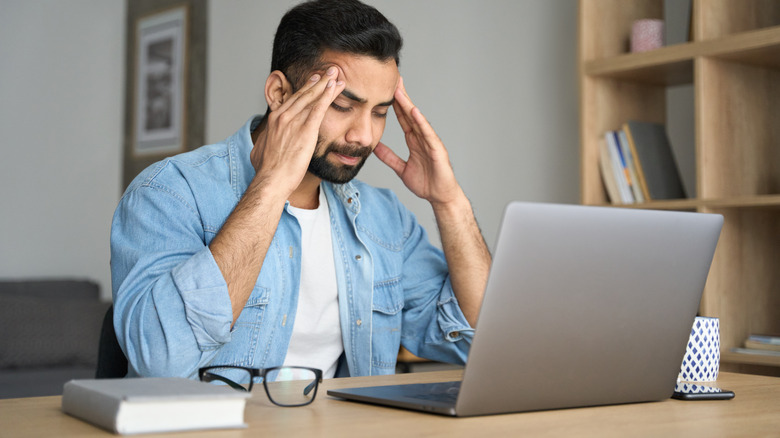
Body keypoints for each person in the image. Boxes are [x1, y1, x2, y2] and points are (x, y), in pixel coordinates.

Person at [110, 0, 491, 380]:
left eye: (379, 112)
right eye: (342, 105)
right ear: (278, 94)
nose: (364, 136)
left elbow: (478, 343)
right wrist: (273, 184)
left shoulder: (384, 219)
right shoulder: (170, 192)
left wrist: (449, 202)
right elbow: (160, 360)